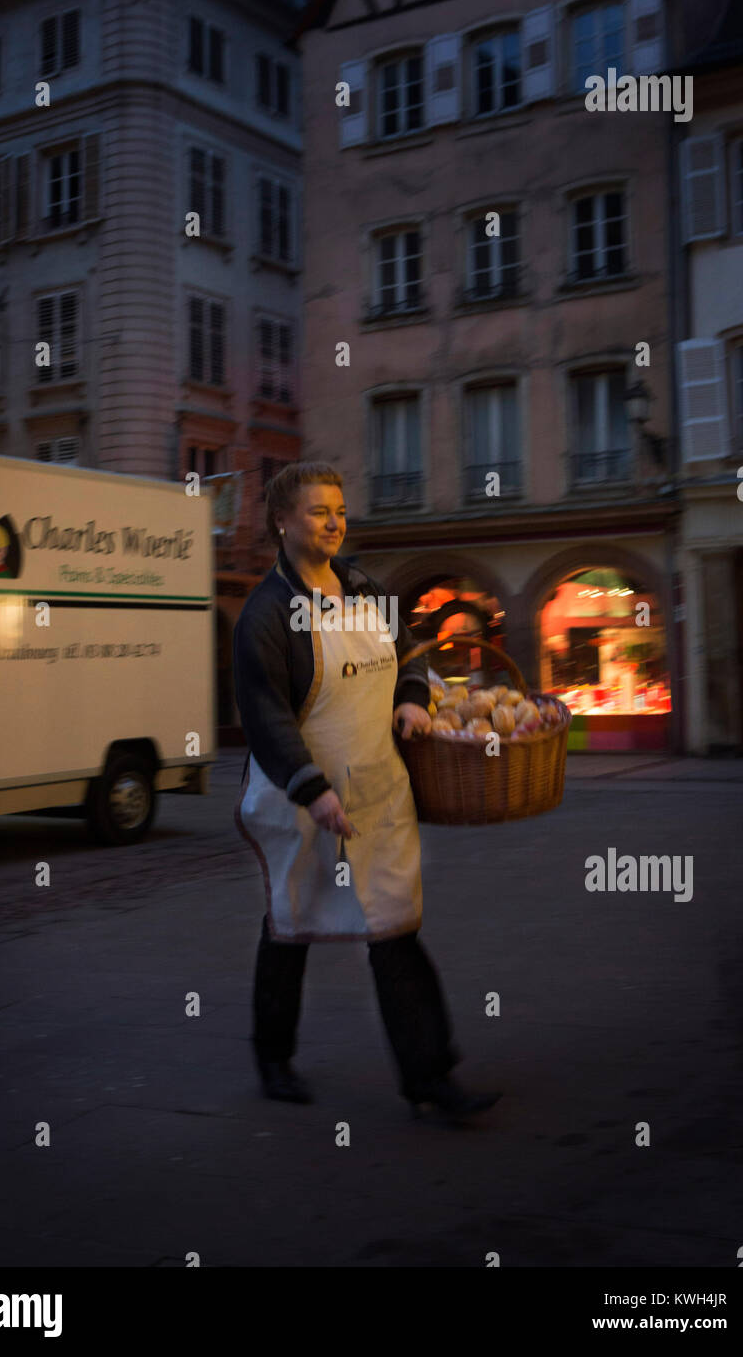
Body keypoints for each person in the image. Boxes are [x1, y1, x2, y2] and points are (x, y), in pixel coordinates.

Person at [233, 461, 501, 1122]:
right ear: (282, 521)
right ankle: (272, 1057)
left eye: (340, 511)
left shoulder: (365, 588)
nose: (334, 522)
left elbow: (410, 658)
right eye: (319, 511)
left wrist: (412, 702)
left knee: (394, 928)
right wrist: (313, 790)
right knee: (290, 926)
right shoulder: (267, 615)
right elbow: (265, 715)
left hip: (378, 793)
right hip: (299, 803)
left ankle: (431, 1079)